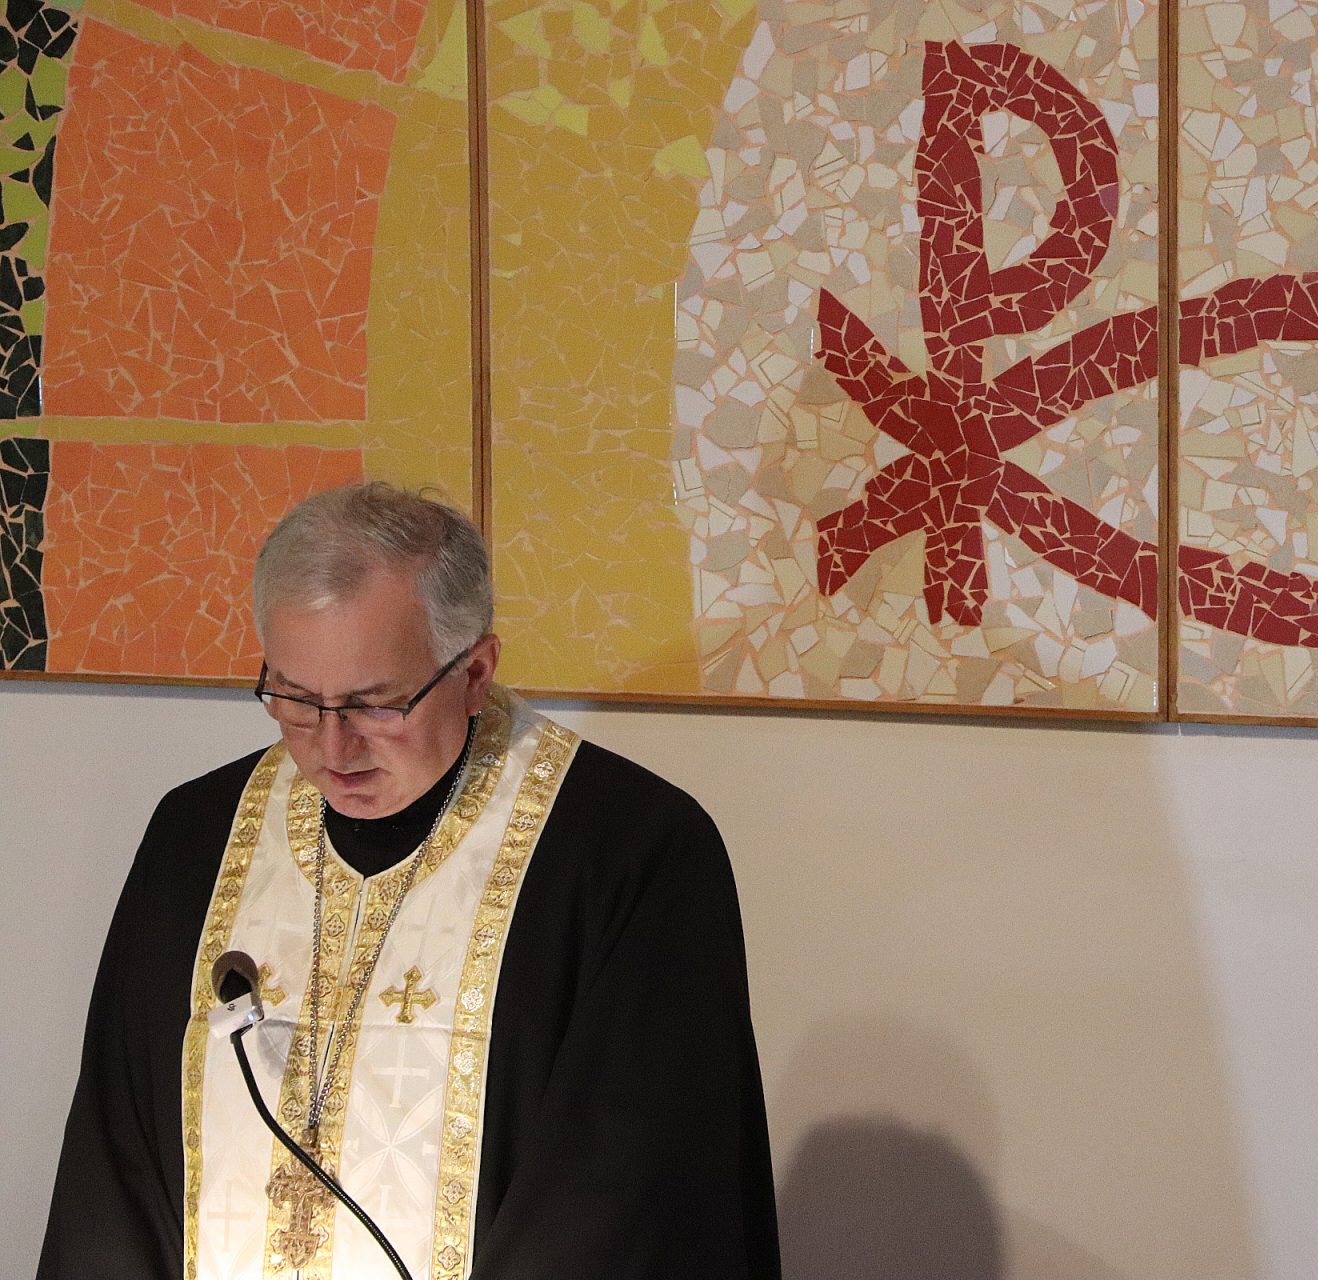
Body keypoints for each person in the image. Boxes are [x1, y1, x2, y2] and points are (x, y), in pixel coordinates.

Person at [36, 482, 780, 1279]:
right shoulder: (194, 839)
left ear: (475, 671)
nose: (333, 748)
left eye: (375, 704)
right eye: (295, 699)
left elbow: (629, 1200)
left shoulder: (633, 853)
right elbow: (114, 1170)